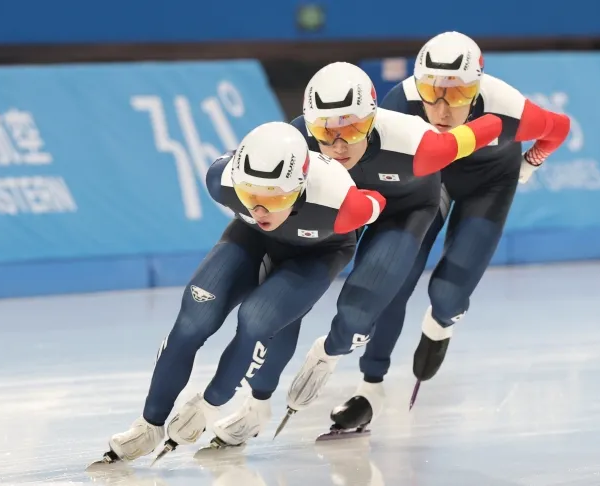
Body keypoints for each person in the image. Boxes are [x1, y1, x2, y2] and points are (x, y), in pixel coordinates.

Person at [212, 61, 502, 440]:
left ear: (372, 118)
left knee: (368, 301)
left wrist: (528, 145)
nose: (337, 144)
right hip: (340, 210)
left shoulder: (419, 143)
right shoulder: (295, 142)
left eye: (351, 129)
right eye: (324, 131)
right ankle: (256, 404)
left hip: (403, 210)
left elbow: (492, 125)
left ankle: (360, 378)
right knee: (284, 294)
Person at [93, 121, 387, 465]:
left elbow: (380, 201)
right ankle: (148, 424)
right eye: (251, 197)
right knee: (192, 319)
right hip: (254, 240)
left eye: (274, 198)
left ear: (299, 187)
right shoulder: (222, 181)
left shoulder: (342, 205)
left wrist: (208, 405)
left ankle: (242, 405)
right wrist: (261, 202)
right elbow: (254, 202)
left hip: (317, 252)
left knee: (257, 320)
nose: (259, 210)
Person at [335, 30, 571, 430]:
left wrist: (530, 162)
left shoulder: (507, 106)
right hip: (432, 182)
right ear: (418, 85)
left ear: (477, 89)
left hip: (489, 183)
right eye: (433, 91)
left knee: (448, 293)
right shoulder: (403, 102)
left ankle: (441, 323)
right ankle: (370, 383)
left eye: (458, 94)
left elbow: (558, 128)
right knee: (396, 278)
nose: (442, 108)